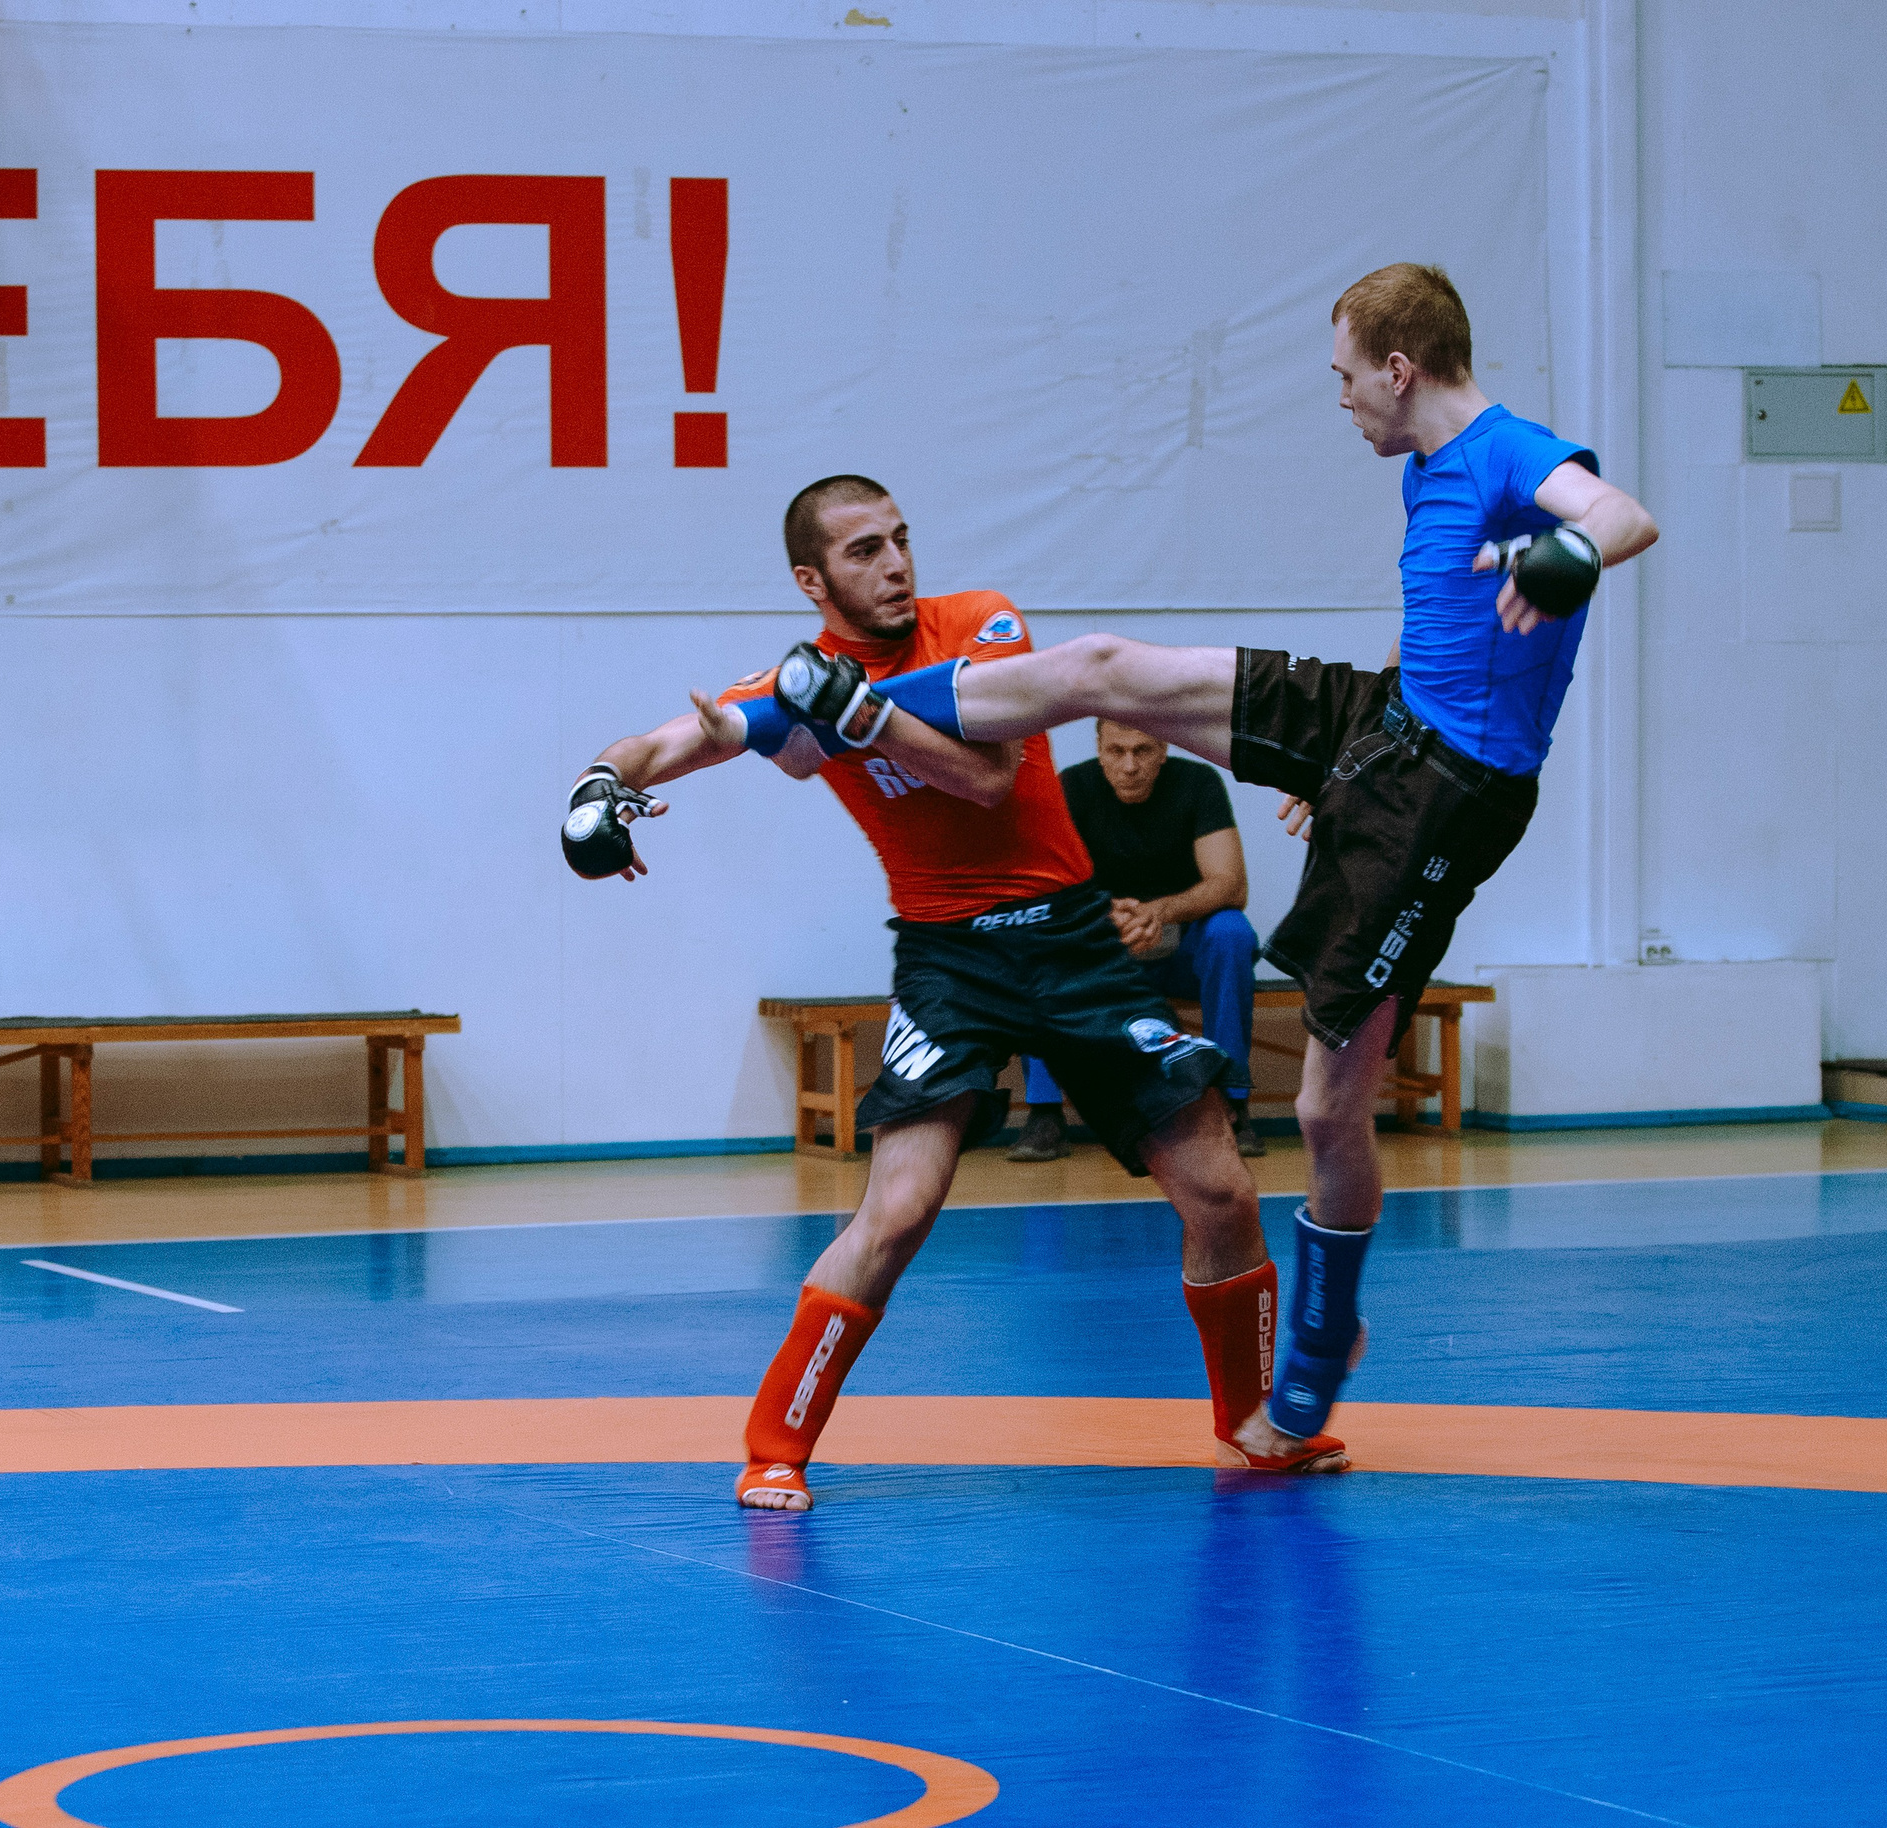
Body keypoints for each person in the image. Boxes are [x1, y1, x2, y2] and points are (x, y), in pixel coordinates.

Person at [774, 266, 1657, 1469]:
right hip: (1382, 729)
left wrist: (1565, 557)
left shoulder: (1512, 452)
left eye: (1344, 374)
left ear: (1399, 369)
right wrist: (1337, 766)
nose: (1339, 398)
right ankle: (854, 703)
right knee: (1100, 667)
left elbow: (1619, 517)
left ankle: (1326, 1326)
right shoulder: (1424, 474)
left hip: (1446, 796)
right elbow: (1437, 631)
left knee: (1325, 1105)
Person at [560, 474, 1347, 1510]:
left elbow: (985, 774)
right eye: (862, 552)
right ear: (812, 579)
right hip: (946, 960)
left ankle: (1251, 1429)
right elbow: (671, 740)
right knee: (899, 1207)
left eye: (899, 540)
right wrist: (600, 791)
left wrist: (856, 716)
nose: (893, 565)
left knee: (1219, 1190)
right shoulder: (798, 682)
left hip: (1072, 941)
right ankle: (774, 1445)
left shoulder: (981, 623)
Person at [1011, 720, 1263, 1163]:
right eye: (1117, 751)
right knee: (1037, 939)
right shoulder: (1073, 786)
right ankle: (1045, 1114)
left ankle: (1232, 1102)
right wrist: (1104, 918)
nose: (1130, 766)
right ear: (1100, 750)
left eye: (1143, 751)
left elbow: (1231, 886)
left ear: (1163, 748)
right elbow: (1044, 889)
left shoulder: (1198, 783)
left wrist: (1157, 912)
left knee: (1231, 932)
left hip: (1182, 950)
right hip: (1104, 956)